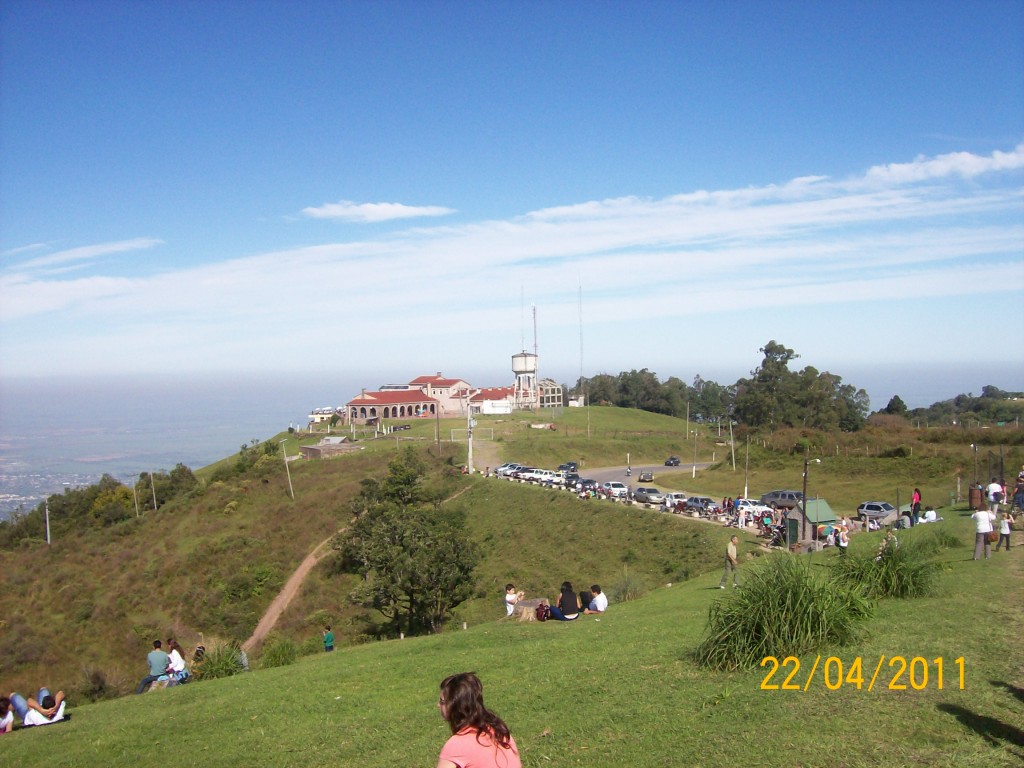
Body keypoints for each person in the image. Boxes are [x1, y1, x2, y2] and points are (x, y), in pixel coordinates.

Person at [436, 672, 521, 768]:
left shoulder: (457, 745)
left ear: (456, 705)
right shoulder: (501, 732)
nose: (438, 705)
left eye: (442, 701)